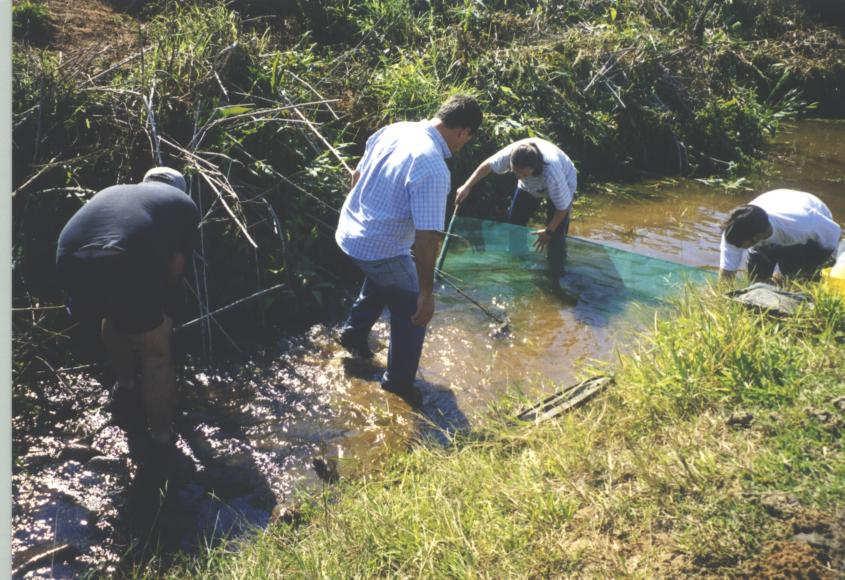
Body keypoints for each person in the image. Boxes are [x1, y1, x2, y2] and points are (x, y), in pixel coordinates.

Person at [335, 94, 483, 407]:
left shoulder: (396, 129)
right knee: (413, 313)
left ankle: (352, 334)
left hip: (349, 233)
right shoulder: (432, 165)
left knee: (385, 277)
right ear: (464, 132)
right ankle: (398, 384)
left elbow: (355, 176)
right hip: (379, 247)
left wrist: (363, 221)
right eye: (467, 140)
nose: (463, 145)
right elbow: (426, 238)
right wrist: (426, 295)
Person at [56, 167, 199, 453]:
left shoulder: (117, 191)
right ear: (180, 189)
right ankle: (161, 437)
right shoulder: (183, 204)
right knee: (155, 352)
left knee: (113, 313)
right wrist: (164, 313)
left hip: (69, 260)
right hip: (124, 258)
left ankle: (126, 386)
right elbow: (176, 267)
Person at [455, 137, 577, 280]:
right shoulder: (512, 155)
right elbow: (487, 166)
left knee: (555, 236)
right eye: (515, 172)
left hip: (564, 183)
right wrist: (467, 186)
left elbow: (562, 208)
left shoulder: (552, 172)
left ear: (534, 167)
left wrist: (549, 231)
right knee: (514, 223)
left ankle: (556, 274)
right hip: (529, 187)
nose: (518, 176)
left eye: (523, 174)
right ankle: (518, 261)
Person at [719, 189, 840, 283]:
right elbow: (727, 273)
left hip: (815, 219)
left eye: (744, 245)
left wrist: (814, 269)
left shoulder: (803, 226)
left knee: (794, 276)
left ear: (758, 237)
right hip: (775, 201)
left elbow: (833, 237)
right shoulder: (734, 232)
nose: (739, 247)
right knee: (756, 279)